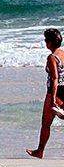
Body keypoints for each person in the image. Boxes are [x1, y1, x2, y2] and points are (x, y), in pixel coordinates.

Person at [26, 27, 64, 159]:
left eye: (45, 40)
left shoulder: (52, 57)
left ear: (49, 43)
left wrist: (53, 97)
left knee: (46, 124)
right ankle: (61, 114)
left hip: (55, 91)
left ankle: (40, 151)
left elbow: (55, 78)